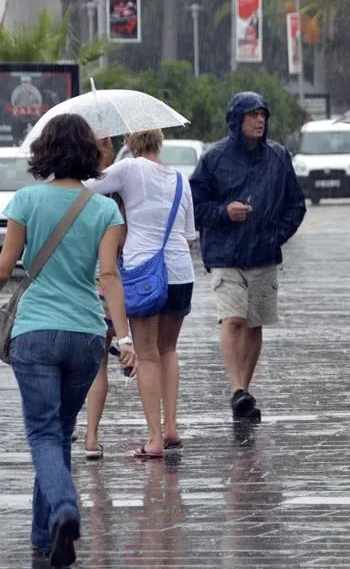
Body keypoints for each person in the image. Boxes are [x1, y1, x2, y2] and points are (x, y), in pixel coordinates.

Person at [0, 113, 136, 567]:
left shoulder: (27, 200)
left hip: (35, 334)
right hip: (88, 334)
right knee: (59, 432)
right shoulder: (106, 209)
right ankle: (44, 532)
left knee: (43, 433)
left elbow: (1, 269)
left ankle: (65, 508)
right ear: (90, 153)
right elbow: (108, 275)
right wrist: (124, 338)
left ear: (45, 152)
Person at [189, 91, 306, 422]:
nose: (260, 120)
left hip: (264, 255)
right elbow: (195, 207)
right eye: (252, 114)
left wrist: (276, 235)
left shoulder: (278, 158)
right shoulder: (214, 160)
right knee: (234, 319)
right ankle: (237, 389)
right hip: (225, 255)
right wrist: (225, 212)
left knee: (255, 324)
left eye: (263, 115)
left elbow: (296, 205)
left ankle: (244, 391)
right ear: (236, 120)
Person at [84, 128, 196, 458]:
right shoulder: (180, 178)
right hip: (179, 272)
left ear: (129, 142)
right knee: (168, 349)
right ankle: (171, 426)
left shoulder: (130, 168)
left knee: (146, 355)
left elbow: (88, 187)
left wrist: (96, 148)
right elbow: (189, 235)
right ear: (159, 141)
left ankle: (154, 439)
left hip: (144, 272)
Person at [75, 134, 125, 459]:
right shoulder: (117, 195)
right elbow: (121, 247)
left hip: (71, 288)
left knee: (67, 365)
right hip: (104, 290)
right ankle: (91, 437)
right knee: (99, 364)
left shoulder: (66, 192)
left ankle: (66, 425)